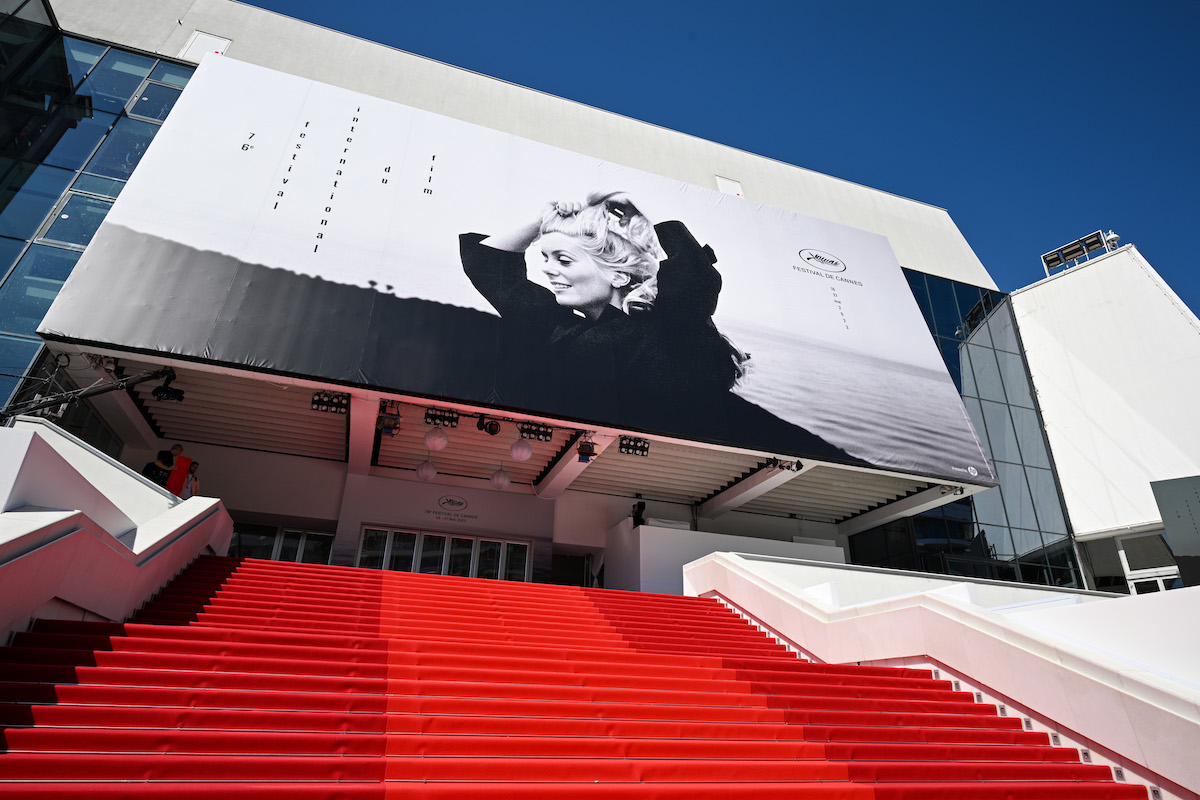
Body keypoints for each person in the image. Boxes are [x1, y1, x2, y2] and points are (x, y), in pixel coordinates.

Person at [460, 192, 861, 464]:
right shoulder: (556, 326)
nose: (547, 269)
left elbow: (693, 276)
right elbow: (490, 265)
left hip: (661, 473)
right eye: (545, 258)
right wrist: (543, 217)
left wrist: (634, 211)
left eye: (563, 260)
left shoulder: (670, 329)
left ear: (618, 276)